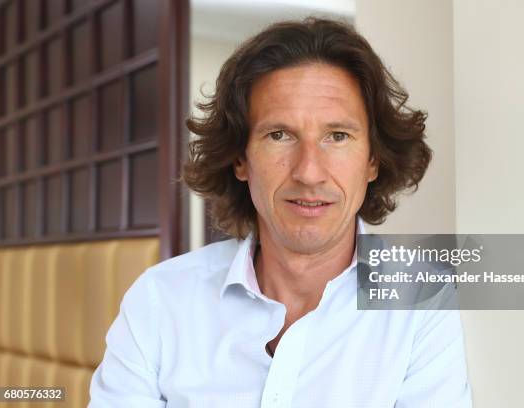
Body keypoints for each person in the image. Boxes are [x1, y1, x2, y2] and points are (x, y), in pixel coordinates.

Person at [89, 17, 472, 407]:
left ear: (373, 160)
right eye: (279, 135)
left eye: (337, 136)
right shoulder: (160, 300)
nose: (308, 172)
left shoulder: (423, 302)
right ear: (241, 158)